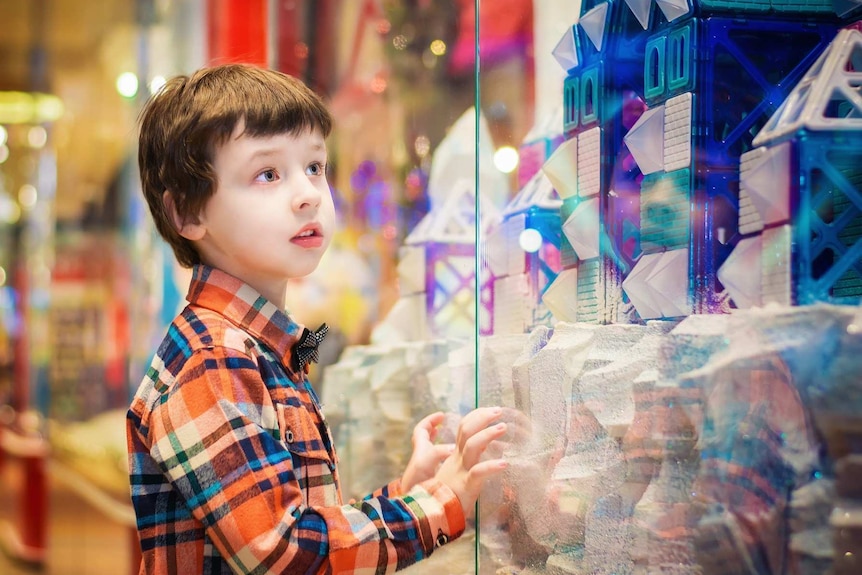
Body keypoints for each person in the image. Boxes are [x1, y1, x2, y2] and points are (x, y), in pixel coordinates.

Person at [126, 63, 508, 574]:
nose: (308, 193)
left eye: (315, 167)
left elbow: (300, 516)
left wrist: (405, 494)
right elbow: (282, 553)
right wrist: (439, 503)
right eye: (268, 174)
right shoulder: (213, 358)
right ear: (188, 214)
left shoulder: (260, 345)